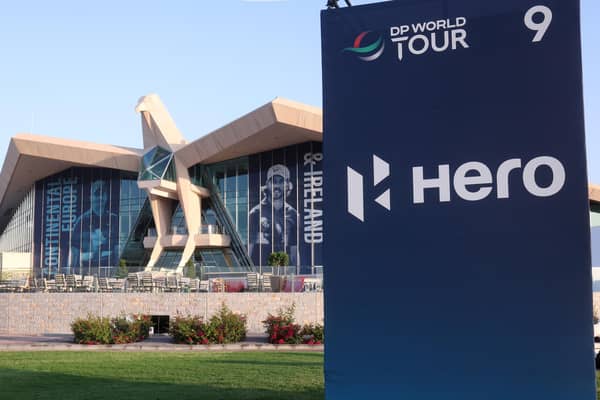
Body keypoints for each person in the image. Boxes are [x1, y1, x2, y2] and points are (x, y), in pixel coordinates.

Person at [249, 164, 298, 266]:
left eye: (281, 182)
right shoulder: (255, 212)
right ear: (267, 184)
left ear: (287, 184)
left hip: (285, 269)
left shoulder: (293, 214)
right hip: (262, 270)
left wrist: (297, 273)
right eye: (273, 181)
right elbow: (250, 247)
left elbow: (294, 249)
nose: (277, 186)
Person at [69, 179, 118, 274]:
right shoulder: (81, 221)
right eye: (96, 195)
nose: (100, 198)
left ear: (106, 197)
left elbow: (117, 250)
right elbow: (74, 252)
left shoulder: (114, 219)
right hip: (87, 270)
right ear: (91, 197)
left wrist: (118, 271)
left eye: (102, 194)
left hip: (108, 270)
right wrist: (72, 273)